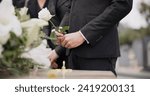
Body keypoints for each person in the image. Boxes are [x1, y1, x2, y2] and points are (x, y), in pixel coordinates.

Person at [49, 0, 133, 76]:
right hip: (73, 55)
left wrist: (83, 35)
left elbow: (122, 4)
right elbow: (72, 8)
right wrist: (61, 30)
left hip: (98, 54)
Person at [27, 0, 70, 68]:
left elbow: (68, 26)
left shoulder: (61, 2)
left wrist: (56, 53)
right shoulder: (28, 3)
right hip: (39, 54)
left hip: (62, 53)